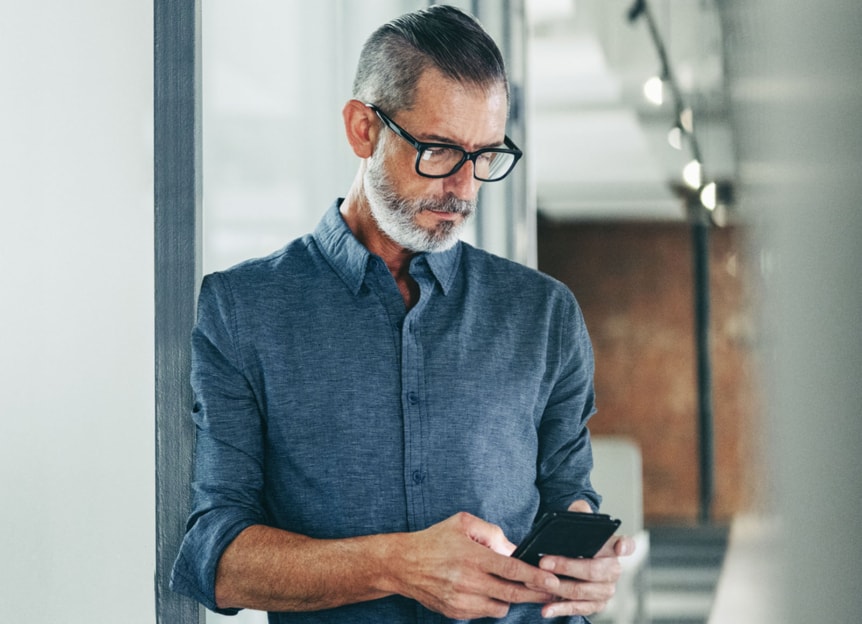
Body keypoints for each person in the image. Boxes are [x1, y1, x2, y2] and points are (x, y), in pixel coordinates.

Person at [170, 5, 634, 623]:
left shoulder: (544, 314)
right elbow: (217, 559)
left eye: (486, 156)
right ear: (363, 128)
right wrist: (398, 564)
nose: (465, 188)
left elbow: (568, 492)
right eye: (440, 151)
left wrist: (585, 563)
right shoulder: (240, 311)